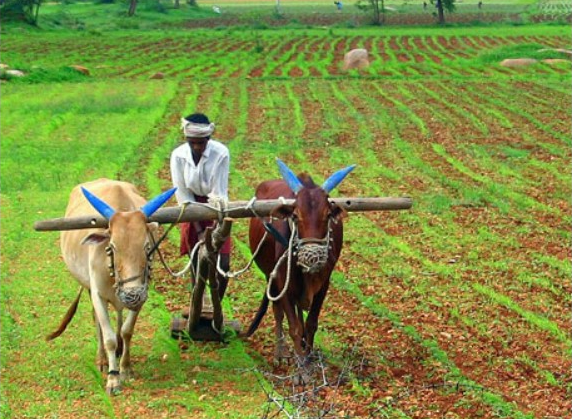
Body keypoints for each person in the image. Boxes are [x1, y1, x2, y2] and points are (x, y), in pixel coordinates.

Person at [170, 112, 231, 301]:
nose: (197, 146)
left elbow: (218, 192)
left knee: (223, 262)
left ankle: (216, 305)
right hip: (191, 208)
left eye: (201, 142)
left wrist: (215, 231)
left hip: (216, 207)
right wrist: (198, 230)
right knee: (197, 259)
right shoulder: (178, 156)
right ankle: (197, 301)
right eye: (192, 142)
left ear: (208, 138)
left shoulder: (220, 153)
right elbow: (182, 193)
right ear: (187, 139)